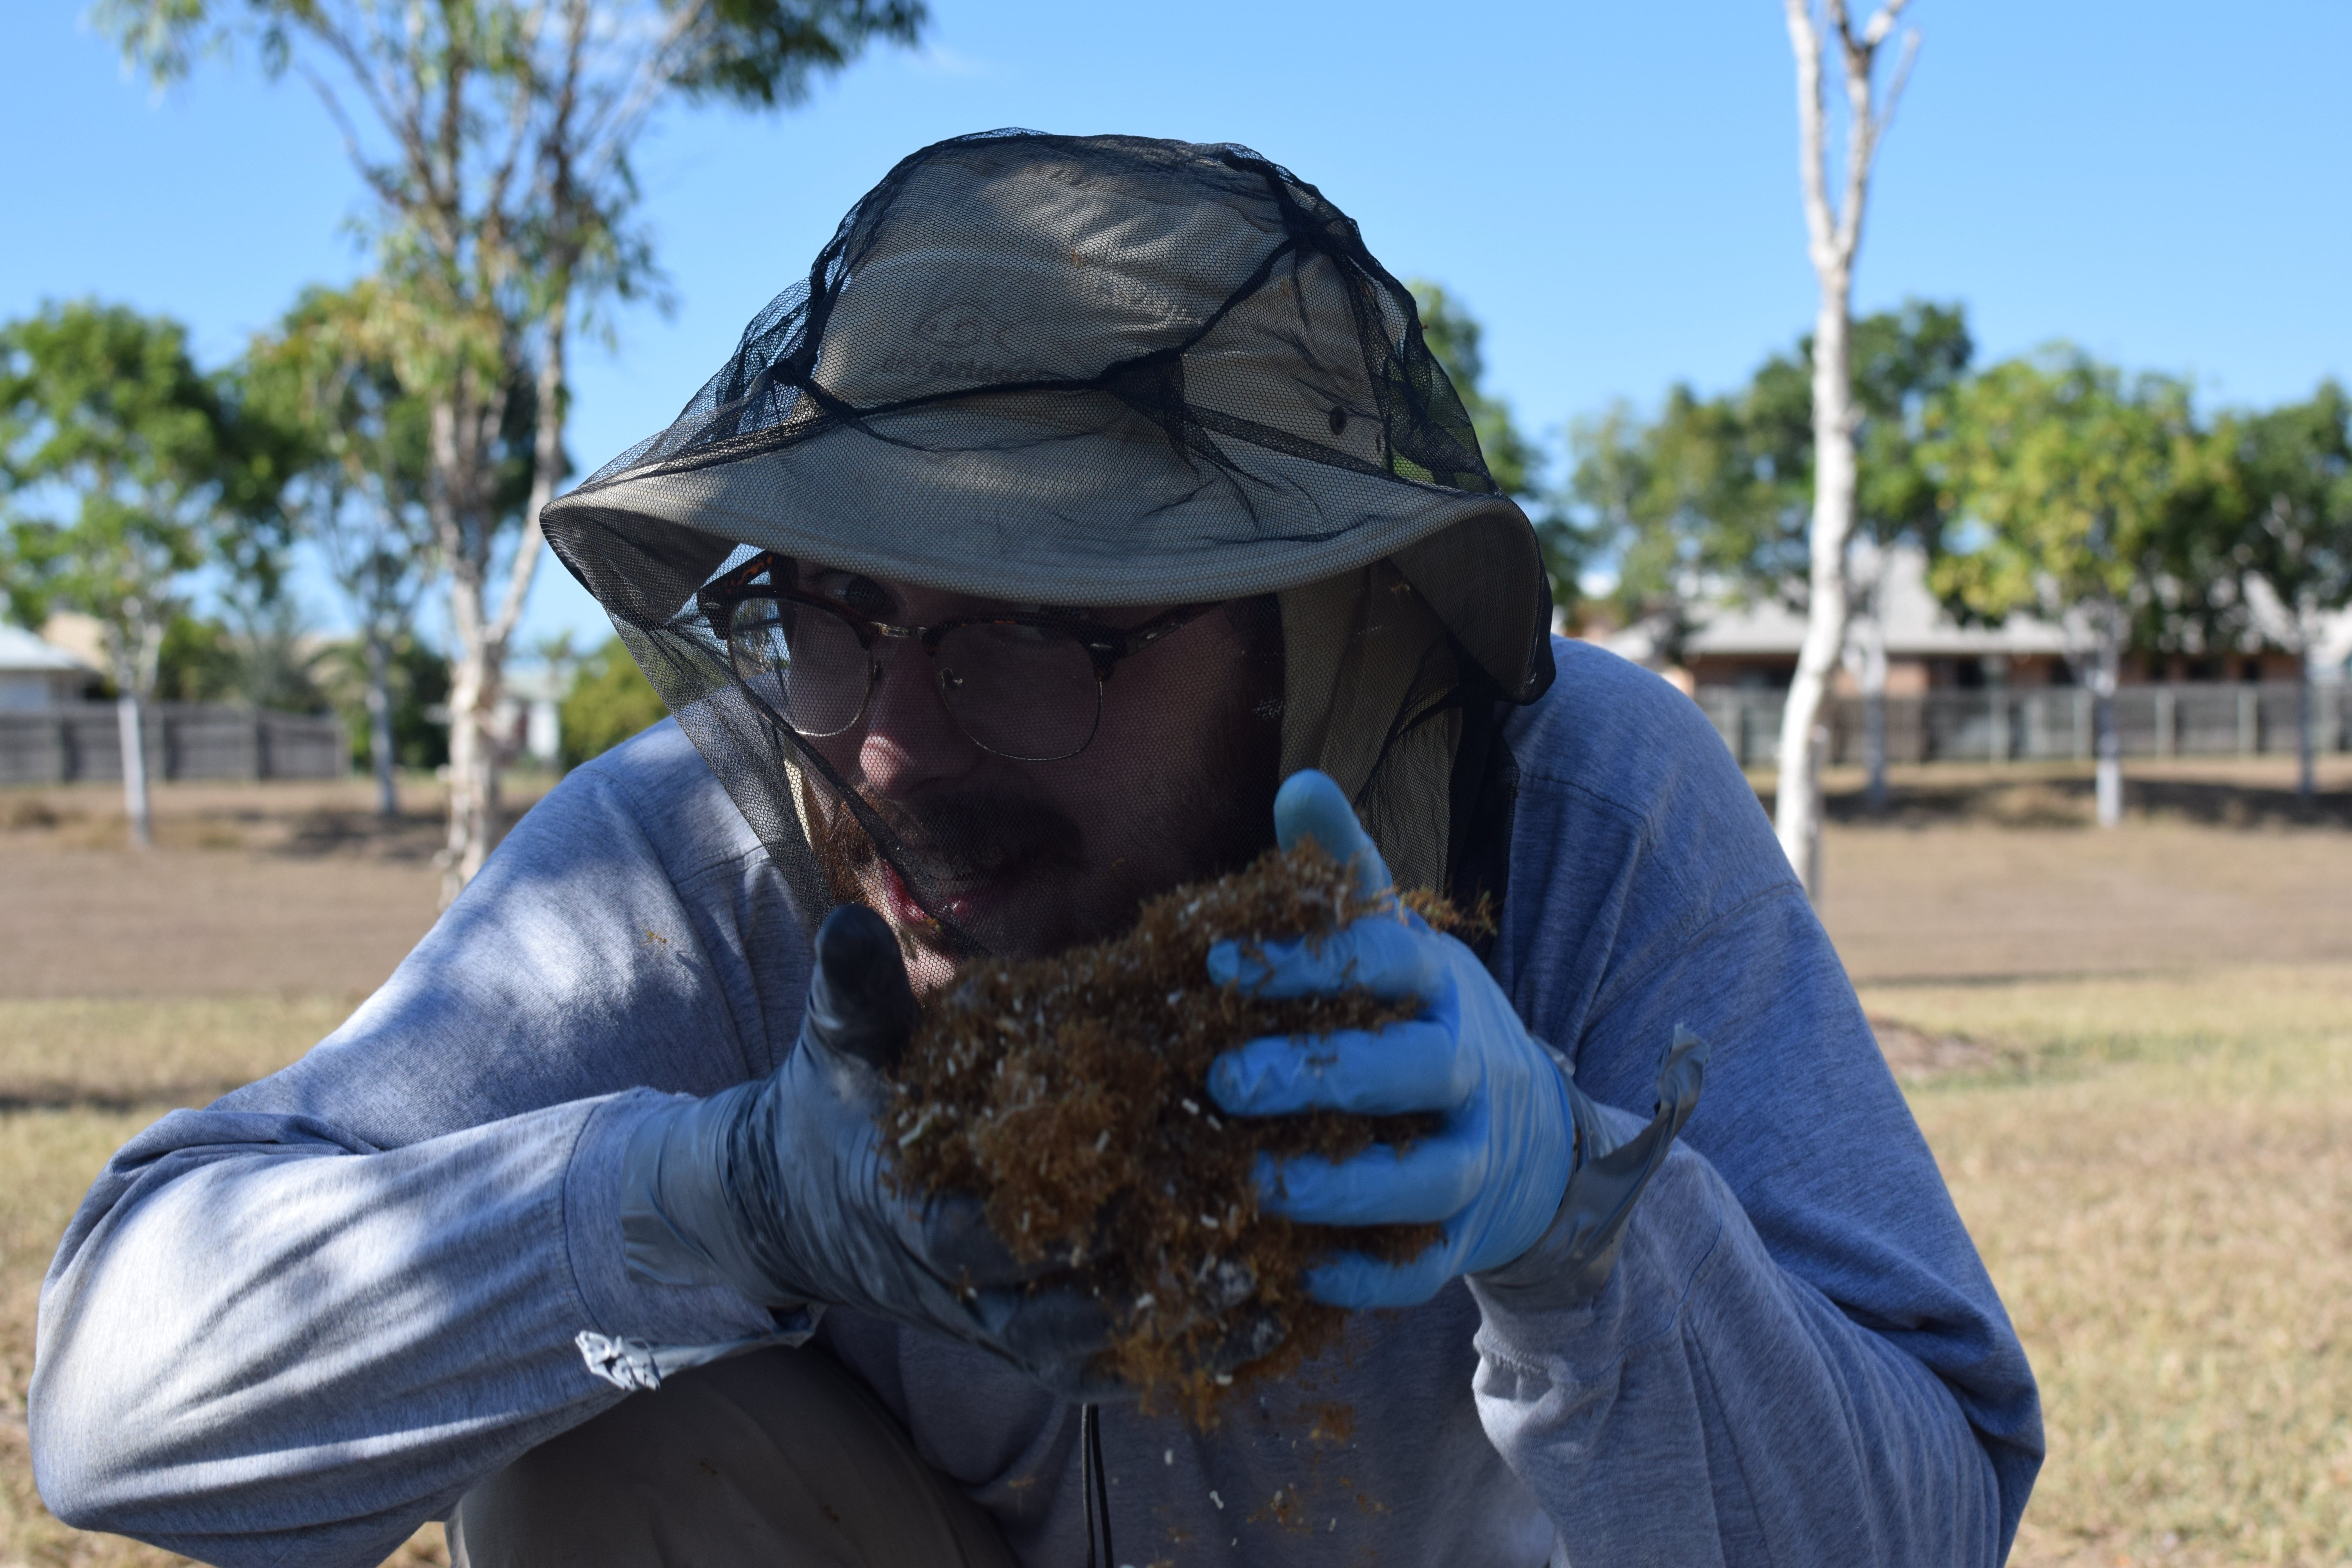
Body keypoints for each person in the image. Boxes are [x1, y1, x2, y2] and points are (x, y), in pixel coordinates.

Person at [30, 131, 2041, 1568]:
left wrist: (1583, 1229)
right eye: (830, 613)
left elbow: (1932, 1513)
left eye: (1027, 633)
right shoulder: (721, 849)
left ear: (1312, 641)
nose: (891, 740)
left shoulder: (1588, 807)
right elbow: (115, 1404)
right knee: (606, 1442)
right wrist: (708, 1208)